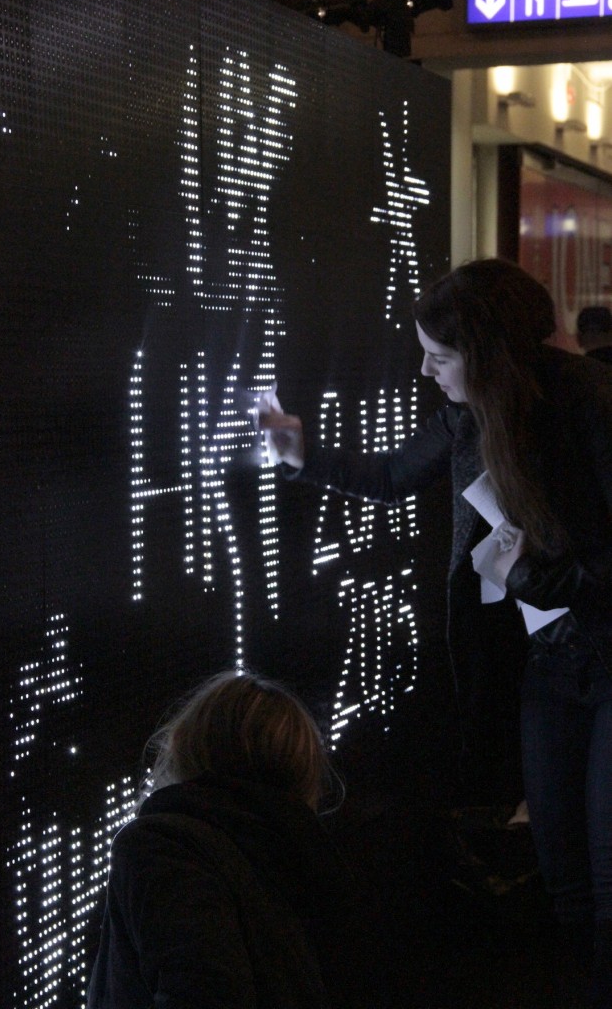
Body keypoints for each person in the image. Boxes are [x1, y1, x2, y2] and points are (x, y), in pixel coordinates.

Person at [261, 258, 612, 1007]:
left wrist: (544, 580)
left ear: (483, 356)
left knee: (607, 877)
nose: (426, 371)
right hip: (551, 666)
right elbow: (392, 476)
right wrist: (300, 456)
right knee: (563, 874)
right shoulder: (469, 415)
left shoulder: (590, 401)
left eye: (440, 356)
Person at [86, 669, 388, 1009]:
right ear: (302, 765)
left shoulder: (166, 845)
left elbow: (204, 990)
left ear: (189, 743)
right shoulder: (322, 859)